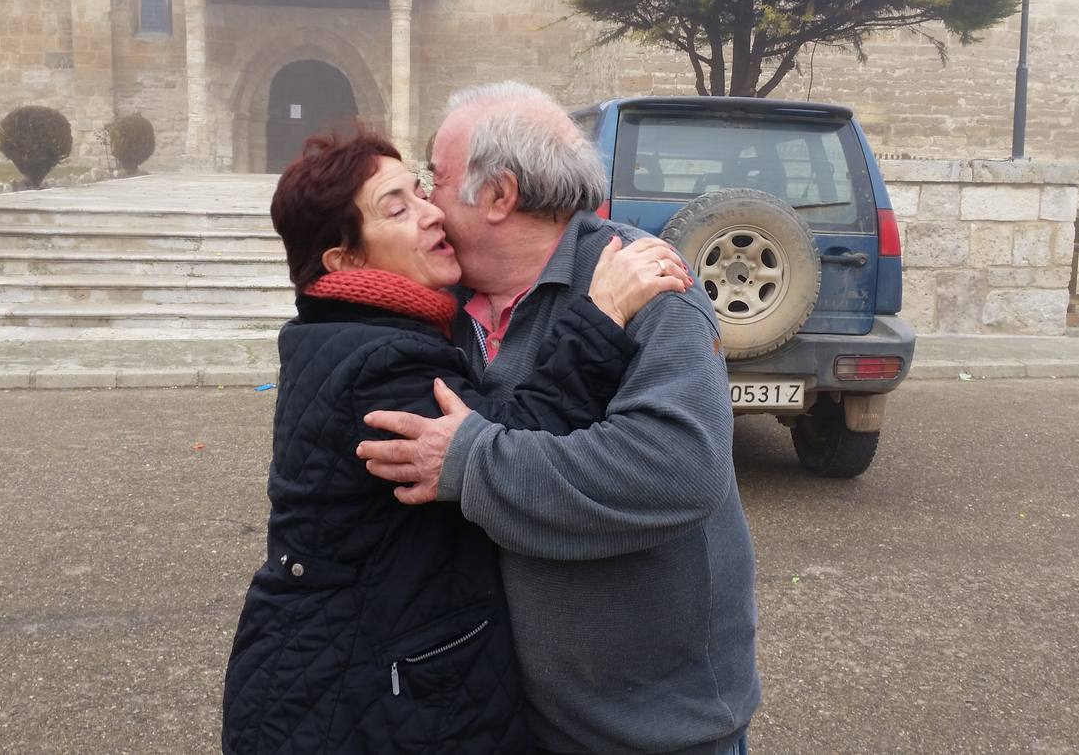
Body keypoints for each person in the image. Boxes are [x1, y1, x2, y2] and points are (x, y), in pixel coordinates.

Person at [220, 128, 690, 754]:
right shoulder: (379, 361)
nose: (432, 212)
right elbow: (509, 439)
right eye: (397, 208)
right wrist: (601, 314)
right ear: (346, 260)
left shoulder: (358, 330)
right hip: (348, 693)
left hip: (354, 667)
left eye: (421, 191)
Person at [357, 82, 761, 755]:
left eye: (436, 178)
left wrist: (470, 462)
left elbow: (679, 469)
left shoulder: (650, 285)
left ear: (498, 195)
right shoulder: (441, 300)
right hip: (509, 712)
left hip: (655, 729)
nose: (425, 199)